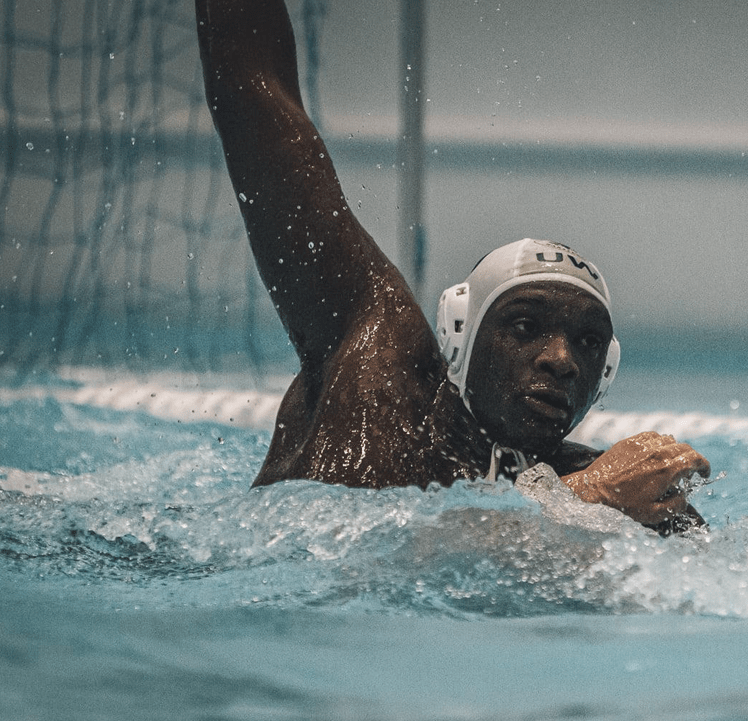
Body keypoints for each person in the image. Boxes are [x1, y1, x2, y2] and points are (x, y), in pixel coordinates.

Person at [196, 0, 709, 535]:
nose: (561, 360)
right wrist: (584, 500)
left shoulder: (594, 484)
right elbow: (253, 103)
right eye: (525, 326)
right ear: (460, 336)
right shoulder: (377, 360)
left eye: (586, 342)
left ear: (606, 373)